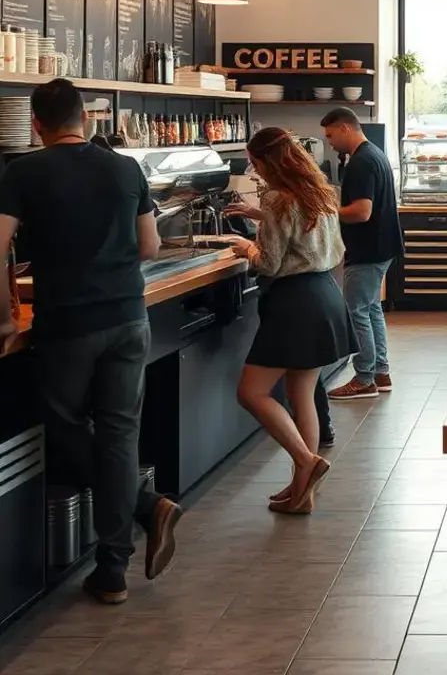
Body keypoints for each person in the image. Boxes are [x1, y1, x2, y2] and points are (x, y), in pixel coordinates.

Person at [0, 79, 182, 604]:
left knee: (64, 429)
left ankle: (147, 510)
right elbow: (149, 246)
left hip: (68, 325)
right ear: (88, 119)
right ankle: (113, 565)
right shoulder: (126, 167)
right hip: (129, 317)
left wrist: (6, 319)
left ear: (35, 123)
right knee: (120, 435)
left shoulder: (23, 171)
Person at [225, 127, 357, 514]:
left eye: (255, 163)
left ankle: (306, 461)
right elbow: (328, 246)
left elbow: (267, 262)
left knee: (251, 393)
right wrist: (261, 216)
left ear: (269, 161)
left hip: (293, 305)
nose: (255, 171)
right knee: (303, 398)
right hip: (325, 296)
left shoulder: (277, 197)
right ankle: (302, 491)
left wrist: (247, 245)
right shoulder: (319, 192)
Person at [319, 108, 404, 400]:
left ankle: (364, 378)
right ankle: (381, 372)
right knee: (371, 310)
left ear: (345, 128)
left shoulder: (360, 163)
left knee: (357, 313)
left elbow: (361, 212)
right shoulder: (375, 154)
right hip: (383, 246)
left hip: (367, 249)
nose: (329, 142)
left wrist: (327, 213)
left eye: (330, 135)